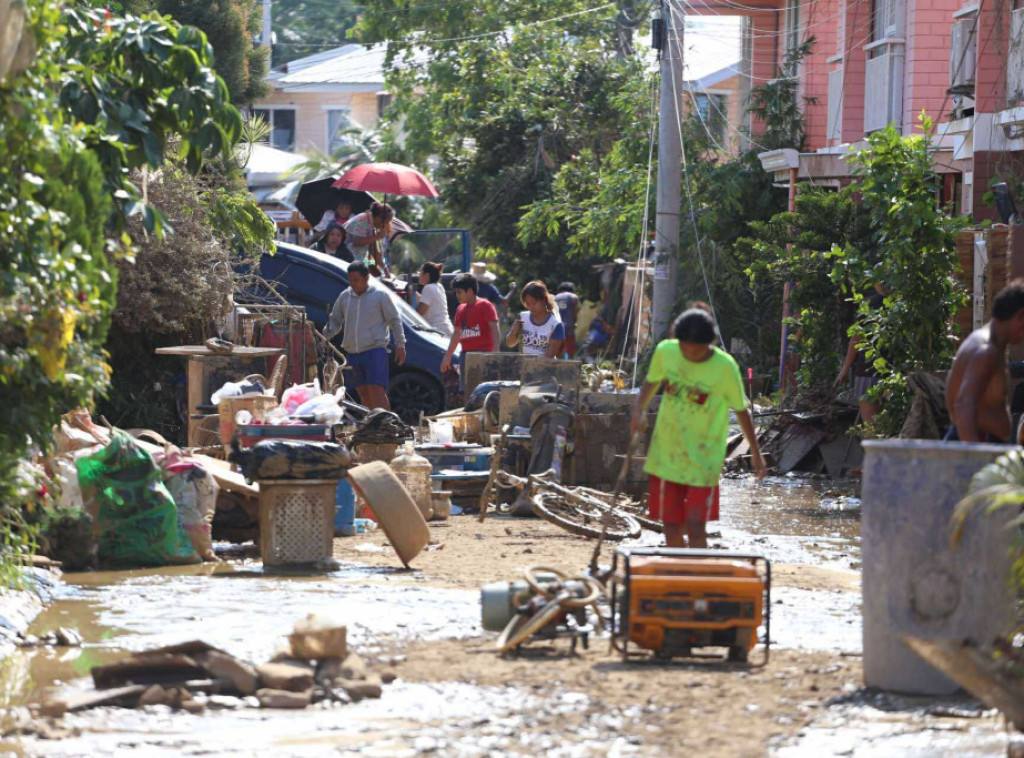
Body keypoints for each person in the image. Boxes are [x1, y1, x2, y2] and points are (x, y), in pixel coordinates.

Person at [631, 309, 766, 549]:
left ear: (710, 343)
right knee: (670, 525)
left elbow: (741, 410)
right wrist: (638, 410)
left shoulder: (725, 367)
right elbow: (651, 382)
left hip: (704, 459)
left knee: (695, 526)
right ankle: (678, 569)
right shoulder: (666, 351)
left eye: (697, 349)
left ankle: (697, 567)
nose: (690, 353)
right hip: (667, 454)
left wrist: (755, 451)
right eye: (685, 347)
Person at [946, 279, 1024, 443]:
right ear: (1020, 316)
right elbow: (963, 405)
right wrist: (975, 454)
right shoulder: (985, 352)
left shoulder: (994, 347)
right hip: (975, 444)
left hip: (985, 444)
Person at [324, 261, 406, 411]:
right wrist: (325, 337)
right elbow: (335, 320)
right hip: (353, 353)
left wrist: (400, 344)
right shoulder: (345, 297)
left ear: (366, 278)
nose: (353, 284)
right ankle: (372, 422)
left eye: (356, 280)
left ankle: (387, 422)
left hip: (375, 351)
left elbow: (394, 320)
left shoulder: (380, 296)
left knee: (376, 390)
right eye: (350, 280)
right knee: (362, 392)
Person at [440, 273, 500, 390]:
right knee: (466, 391)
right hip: (465, 355)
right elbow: (456, 334)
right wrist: (447, 357)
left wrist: (496, 354)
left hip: (484, 355)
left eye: (459, 292)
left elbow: (494, 329)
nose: (457, 295)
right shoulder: (460, 309)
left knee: (484, 390)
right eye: (456, 292)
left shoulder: (485, 305)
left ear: (470, 291)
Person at [835, 286, 885, 425]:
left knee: (870, 425)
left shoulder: (869, 304)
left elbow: (856, 338)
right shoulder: (903, 306)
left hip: (868, 372)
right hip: (892, 371)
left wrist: (845, 369)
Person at [506, 280, 565, 358]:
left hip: (543, 365)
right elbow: (510, 344)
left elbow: (549, 357)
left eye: (534, 303)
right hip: (524, 364)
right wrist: (514, 331)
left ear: (544, 300)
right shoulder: (522, 318)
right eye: (528, 304)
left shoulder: (555, 325)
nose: (531, 307)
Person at [344, 202, 394, 276]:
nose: (385, 225)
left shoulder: (373, 227)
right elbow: (357, 242)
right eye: (385, 222)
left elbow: (374, 251)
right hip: (344, 256)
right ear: (378, 217)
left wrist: (385, 268)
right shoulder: (362, 219)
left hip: (357, 261)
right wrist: (377, 237)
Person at [417, 261, 453, 337]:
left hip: (437, 331)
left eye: (420, 272)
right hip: (447, 328)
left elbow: (421, 312)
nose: (419, 275)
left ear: (427, 275)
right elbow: (426, 301)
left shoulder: (428, 288)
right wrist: (413, 293)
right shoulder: (439, 286)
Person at [555, 282, 580, 358]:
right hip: (569, 324)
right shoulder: (573, 297)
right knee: (570, 347)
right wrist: (575, 322)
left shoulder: (556, 297)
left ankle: (557, 362)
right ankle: (570, 361)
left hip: (557, 325)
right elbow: (574, 311)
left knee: (558, 348)